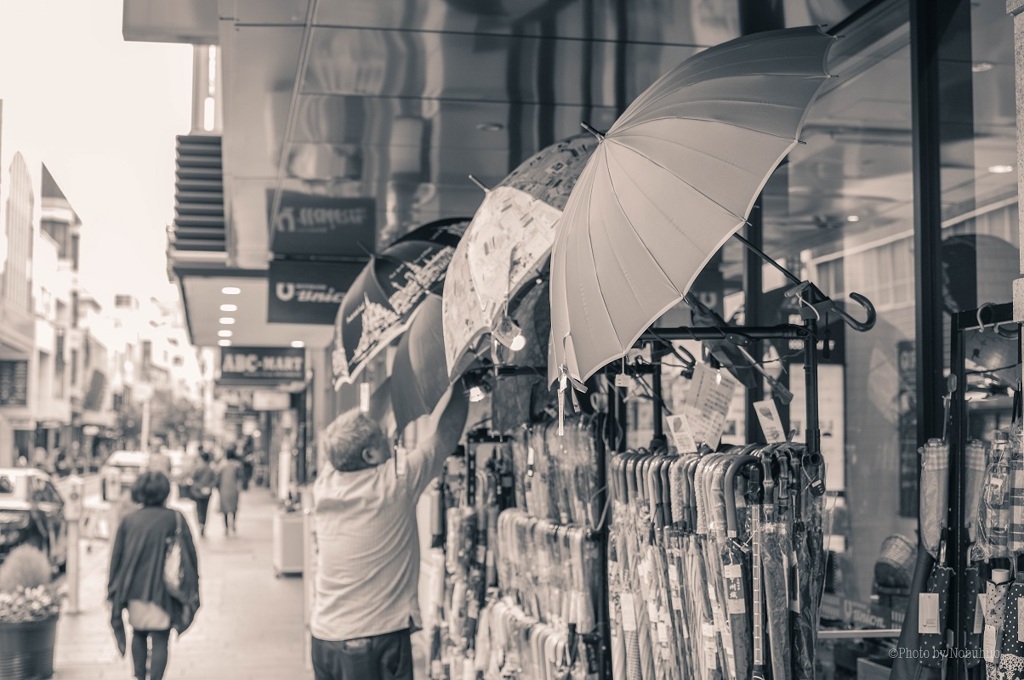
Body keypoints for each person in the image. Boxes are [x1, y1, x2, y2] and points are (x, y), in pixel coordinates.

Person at [310, 380, 468, 680]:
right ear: (369, 455)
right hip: (370, 642)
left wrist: (401, 377)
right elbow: (445, 436)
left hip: (324, 640)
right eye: (384, 439)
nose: (391, 441)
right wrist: (463, 378)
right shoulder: (394, 484)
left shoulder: (327, 481)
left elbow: (371, 416)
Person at [108, 471, 199, 680]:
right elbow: (190, 555)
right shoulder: (174, 518)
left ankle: (139, 677)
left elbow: (116, 557)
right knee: (160, 637)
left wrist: (113, 589)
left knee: (138, 633)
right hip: (164, 590)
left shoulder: (129, 520)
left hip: (134, 589)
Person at [187, 451, 217, 538]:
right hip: (207, 493)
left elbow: (192, 480)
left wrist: (200, 487)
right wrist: (208, 487)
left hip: (198, 493)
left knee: (199, 510)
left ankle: (200, 524)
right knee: (205, 510)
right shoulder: (210, 469)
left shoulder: (197, 469)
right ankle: (203, 525)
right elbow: (214, 481)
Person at [216, 448, 243, 535]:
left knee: (225, 509)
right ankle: (233, 524)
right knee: (234, 507)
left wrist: (217, 487)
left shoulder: (222, 466)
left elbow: (217, 478)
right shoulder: (237, 465)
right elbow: (240, 477)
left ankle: (226, 527)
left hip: (224, 489)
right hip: (234, 489)